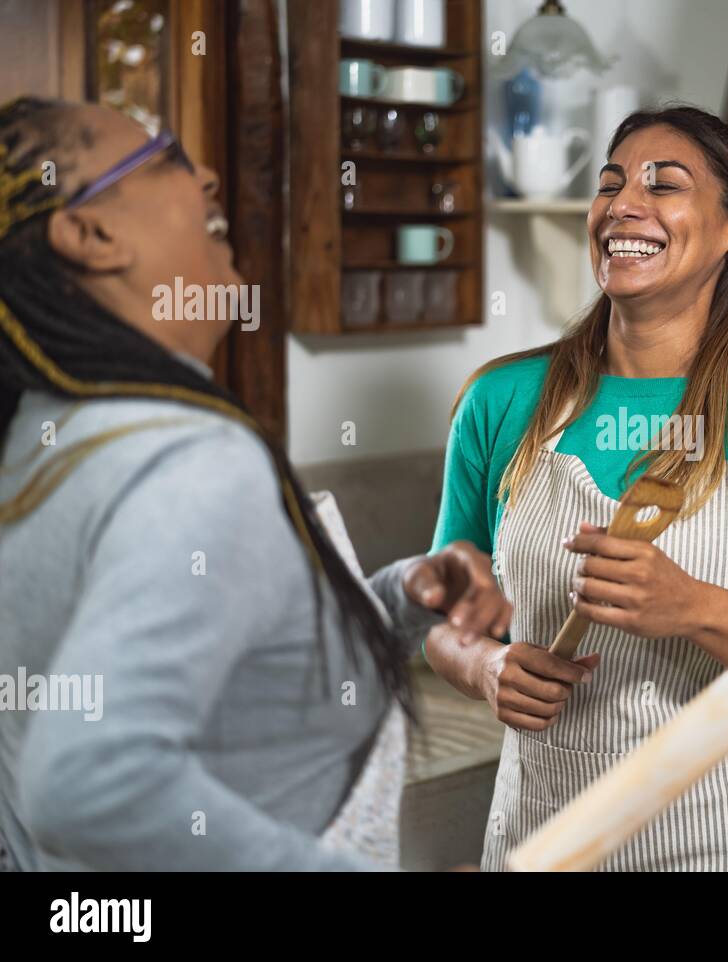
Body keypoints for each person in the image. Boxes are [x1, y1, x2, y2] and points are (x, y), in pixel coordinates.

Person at [0, 97, 510, 871]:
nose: (207, 177)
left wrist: (401, 598)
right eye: (166, 157)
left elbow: (242, 679)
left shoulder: (47, 438)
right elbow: (85, 781)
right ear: (91, 234)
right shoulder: (190, 459)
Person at [423, 104, 728, 871]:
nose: (622, 205)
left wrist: (696, 608)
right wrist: (485, 667)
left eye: (664, 185)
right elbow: (448, 617)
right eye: (611, 184)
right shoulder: (502, 402)